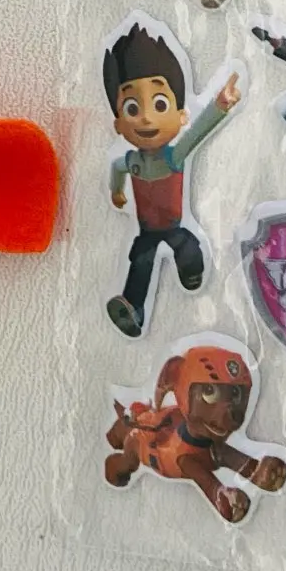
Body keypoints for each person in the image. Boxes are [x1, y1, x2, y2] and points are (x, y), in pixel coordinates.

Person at [102, 22, 239, 336]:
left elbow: (196, 134)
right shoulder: (131, 161)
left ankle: (192, 272)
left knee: (187, 247)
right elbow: (117, 169)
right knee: (141, 260)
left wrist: (220, 106)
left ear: (180, 115)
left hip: (174, 224)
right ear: (119, 124)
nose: (146, 117)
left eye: (159, 104)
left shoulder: (173, 157)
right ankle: (133, 309)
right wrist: (116, 192)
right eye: (132, 107)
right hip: (146, 229)